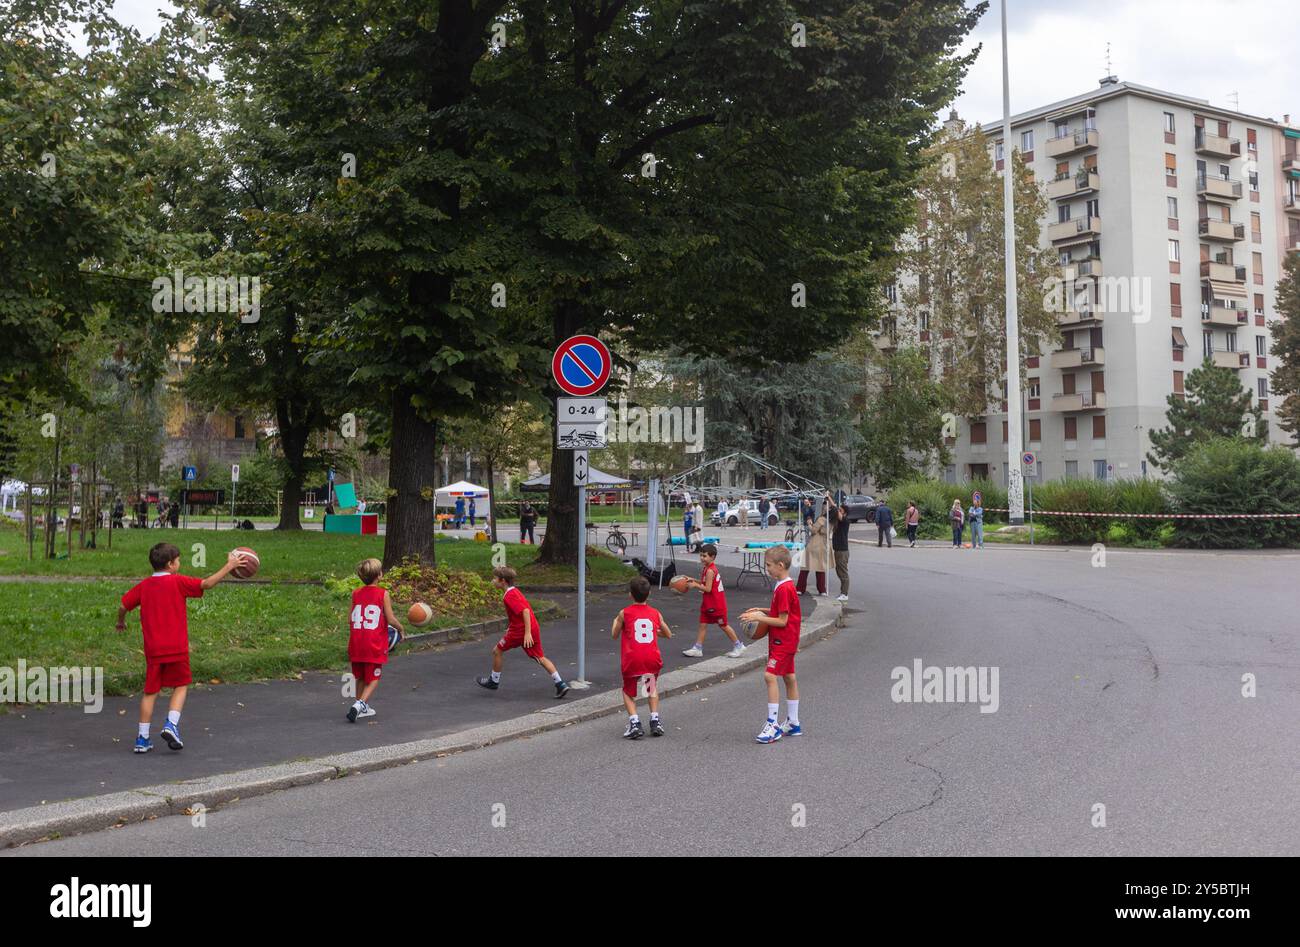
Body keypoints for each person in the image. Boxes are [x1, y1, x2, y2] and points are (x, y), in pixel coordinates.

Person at [116, 543, 248, 752]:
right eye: (178, 560)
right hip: (176, 648)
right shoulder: (178, 582)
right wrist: (229, 566)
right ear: (170, 564)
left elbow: (123, 605)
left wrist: (121, 622)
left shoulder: (144, 586)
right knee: (181, 684)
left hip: (153, 650)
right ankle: (171, 724)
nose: (180, 563)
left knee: (150, 692)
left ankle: (142, 739)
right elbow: (207, 584)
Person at [739, 545, 803, 744]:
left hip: (782, 639)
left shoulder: (784, 588)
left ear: (781, 565)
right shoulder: (784, 584)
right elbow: (782, 612)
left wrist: (759, 618)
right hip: (788, 638)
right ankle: (793, 722)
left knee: (770, 675)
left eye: (769, 566)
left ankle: (772, 725)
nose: (767, 569)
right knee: (789, 677)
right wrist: (761, 609)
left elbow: (782, 621)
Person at [476, 566, 570, 698]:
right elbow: (520, 613)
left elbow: (525, 611)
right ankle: (560, 684)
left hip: (520, 632)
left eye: (495, 578)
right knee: (540, 657)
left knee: (497, 651)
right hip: (532, 627)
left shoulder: (509, 596)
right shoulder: (515, 591)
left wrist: (526, 634)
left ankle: (493, 681)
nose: (493, 581)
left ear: (503, 581)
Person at [611, 576, 673, 739]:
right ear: (649, 593)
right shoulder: (655, 613)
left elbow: (614, 635)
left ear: (630, 594)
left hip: (633, 659)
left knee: (628, 691)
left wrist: (615, 622)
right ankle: (655, 720)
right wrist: (656, 632)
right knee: (650, 687)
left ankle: (635, 723)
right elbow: (668, 633)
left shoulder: (624, 613)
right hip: (651, 658)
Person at [346, 558, 404, 722]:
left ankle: (358, 704)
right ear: (379, 575)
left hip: (356, 642)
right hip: (373, 643)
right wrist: (400, 628)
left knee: (361, 677)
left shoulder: (355, 593)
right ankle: (360, 705)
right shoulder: (382, 593)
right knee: (374, 678)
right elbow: (391, 619)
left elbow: (350, 618)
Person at [681, 543, 746, 658]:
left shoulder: (710, 571)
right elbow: (705, 583)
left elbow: (708, 588)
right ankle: (698, 648)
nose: (702, 558)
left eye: (704, 556)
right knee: (702, 625)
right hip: (708, 603)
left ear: (713, 557)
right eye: (701, 555)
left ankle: (738, 646)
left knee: (724, 625)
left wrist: (695, 585)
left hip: (716, 604)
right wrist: (693, 579)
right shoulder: (707, 568)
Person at [796, 504, 828, 596]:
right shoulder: (829, 520)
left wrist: (809, 523)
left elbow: (813, 530)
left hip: (814, 544)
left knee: (805, 567)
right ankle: (822, 589)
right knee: (820, 568)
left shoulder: (821, 519)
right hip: (822, 545)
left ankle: (800, 588)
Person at [828, 492, 850, 602]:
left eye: (841, 511)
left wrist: (831, 499)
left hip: (842, 550)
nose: (838, 512)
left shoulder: (845, 521)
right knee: (839, 571)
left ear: (844, 513)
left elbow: (836, 511)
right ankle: (843, 592)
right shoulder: (839, 521)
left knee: (843, 572)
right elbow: (834, 512)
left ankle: (844, 594)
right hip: (838, 550)